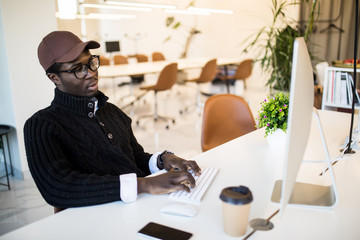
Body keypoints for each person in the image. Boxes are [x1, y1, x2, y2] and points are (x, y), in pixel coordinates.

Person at [23, 31, 201, 211]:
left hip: (137, 207)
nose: (91, 73)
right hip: (100, 220)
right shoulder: (42, 125)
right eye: (78, 69)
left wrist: (162, 160)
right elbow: (58, 188)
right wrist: (144, 185)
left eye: (91, 63)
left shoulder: (111, 111)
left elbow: (134, 157)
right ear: (54, 78)